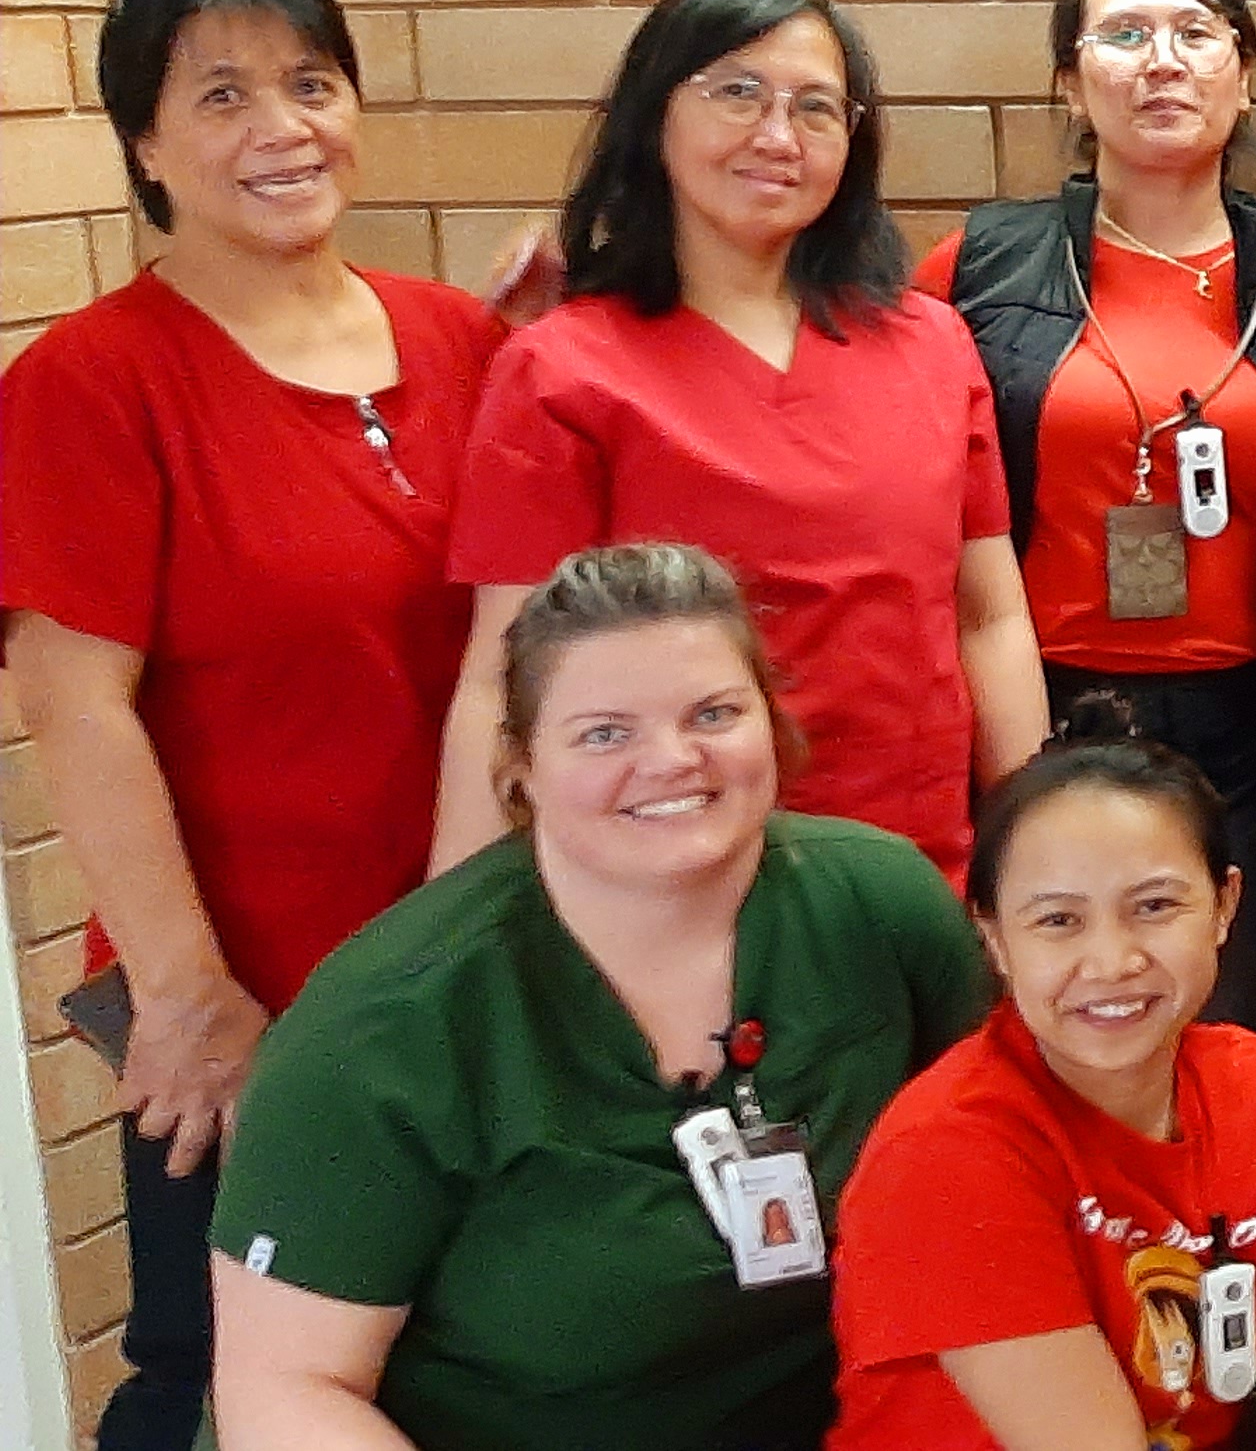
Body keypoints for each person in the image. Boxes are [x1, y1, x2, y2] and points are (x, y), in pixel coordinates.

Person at [0, 0, 501, 1451]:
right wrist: (185, 992)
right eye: (220, 96)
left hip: (459, 987)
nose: (281, 126)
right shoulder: (93, 383)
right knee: (220, 1380)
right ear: (144, 146)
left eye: (310, 84)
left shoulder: (460, 339)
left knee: (445, 1367)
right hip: (248, 1007)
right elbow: (72, 702)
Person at [206, 542, 991, 1451]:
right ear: (522, 767)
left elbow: (1010, 1184)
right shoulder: (384, 1029)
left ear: (772, 725)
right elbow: (285, 1392)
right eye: (604, 733)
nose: (671, 759)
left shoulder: (882, 909)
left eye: (714, 713)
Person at [438, 0, 1046, 875]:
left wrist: (1038, 850)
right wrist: (458, 931)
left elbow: (988, 620)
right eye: (737, 94)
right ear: (653, 118)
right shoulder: (562, 370)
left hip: (920, 880)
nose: (777, 136)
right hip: (671, 886)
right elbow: (504, 678)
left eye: (817, 109)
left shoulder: (932, 343)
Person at [922, 0, 1256, 1028]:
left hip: (1244, 747)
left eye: (1195, 33)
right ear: (1071, 85)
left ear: (1245, 70)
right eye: (1124, 34)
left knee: (1222, 1052)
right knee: (1050, 1055)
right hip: (1032, 730)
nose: (1162, 60)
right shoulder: (975, 268)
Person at [832, 705, 1256, 1450]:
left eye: (1155, 907)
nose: (1111, 962)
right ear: (994, 937)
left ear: (1225, 905)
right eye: (1057, 921)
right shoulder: (944, 1148)